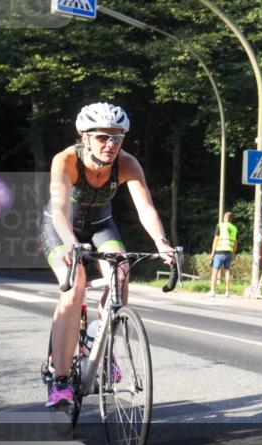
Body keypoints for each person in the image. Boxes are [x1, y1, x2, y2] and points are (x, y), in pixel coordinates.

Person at [40, 102, 174, 408]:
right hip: (62, 227)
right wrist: (72, 243)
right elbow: (59, 210)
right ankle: (60, 381)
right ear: (84, 137)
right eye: (103, 137)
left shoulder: (127, 163)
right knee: (75, 285)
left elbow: (146, 207)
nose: (111, 144)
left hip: (102, 225)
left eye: (118, 137)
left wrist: (162, 242)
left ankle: (98, 340)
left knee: (122, 270)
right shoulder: (65, 160)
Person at [207, 211, 238, 297]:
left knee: (215, 271)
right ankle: (227, 292)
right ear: (231, 219)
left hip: (219, 251)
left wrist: (212, 252)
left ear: (224, 218)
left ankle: (212, 291)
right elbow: (235, 242)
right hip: (229, 252)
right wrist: (233, 253)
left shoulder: (220, 226)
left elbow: (216, 239)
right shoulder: (234, 228)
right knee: (227, 271)